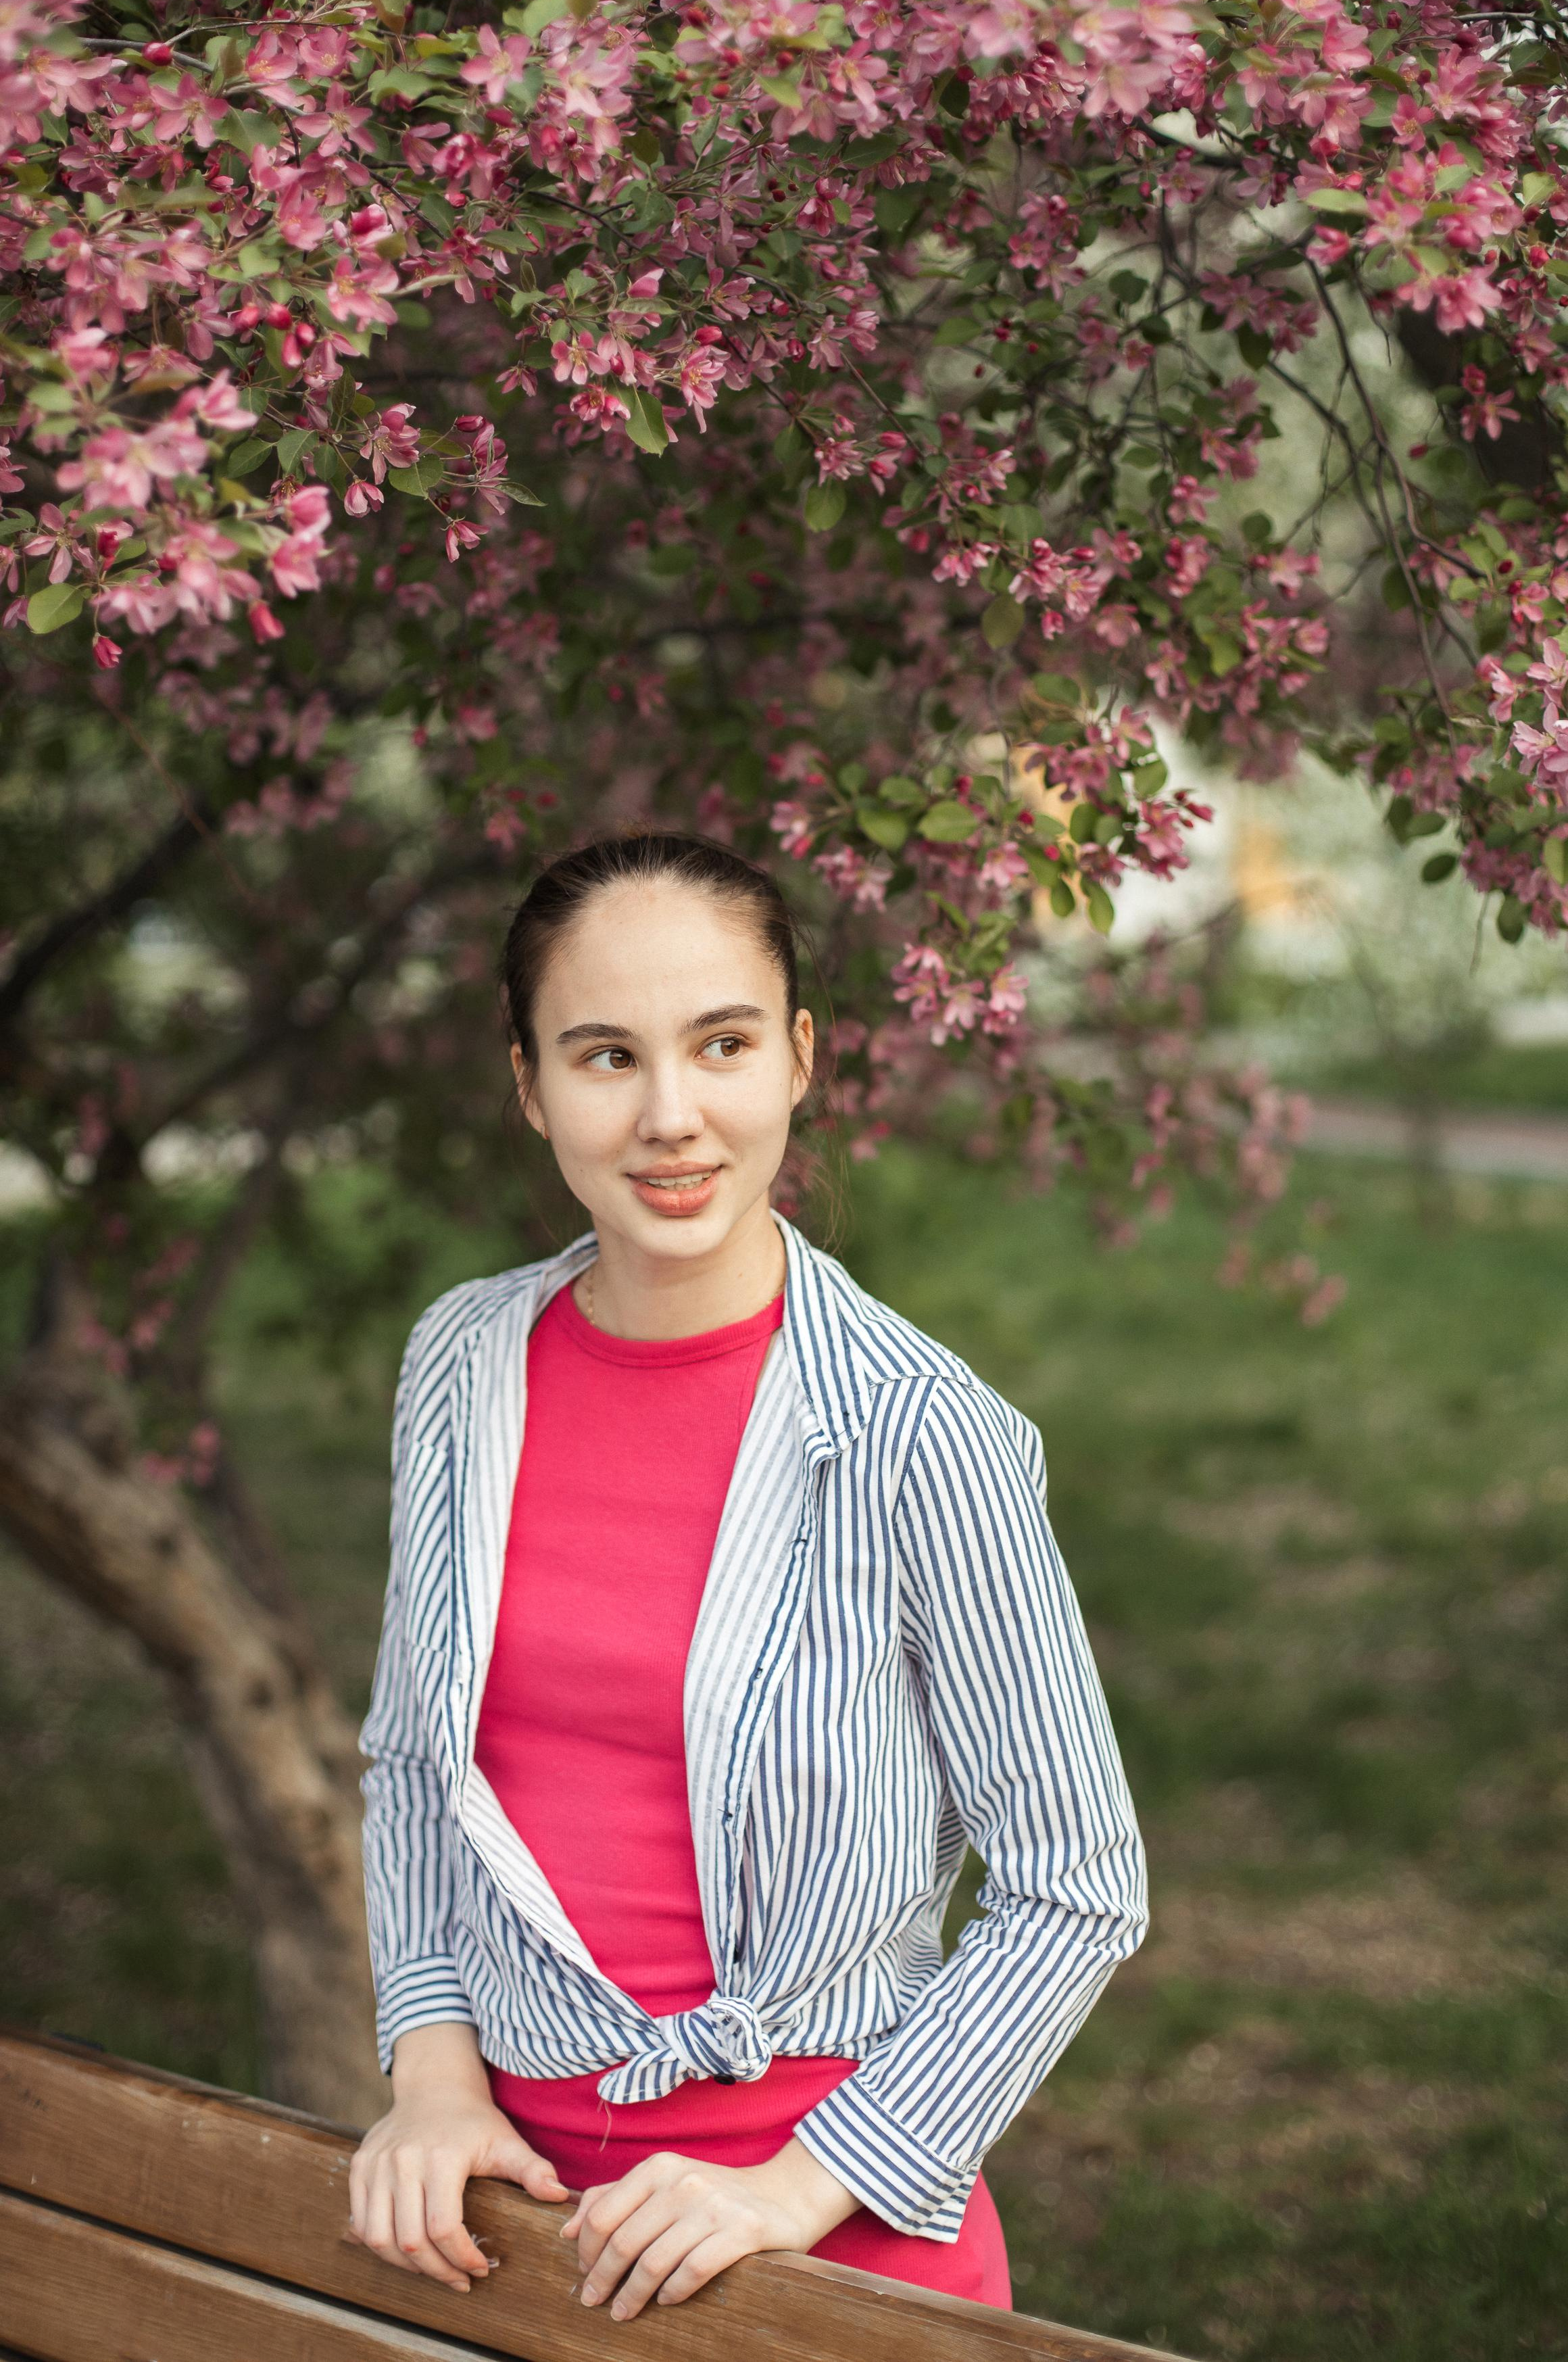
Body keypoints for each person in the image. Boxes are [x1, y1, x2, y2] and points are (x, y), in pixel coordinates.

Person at [349, 831, 1147, 2323]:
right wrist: (434, 2075)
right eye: (605, 1056)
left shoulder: (922, 1432)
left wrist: (795, 2185)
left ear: (798, 1058)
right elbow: (413, 1764)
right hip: (505, 2222)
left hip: (829, 2241)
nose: (671, 1115)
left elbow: (1074, 1883)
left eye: (720, 1044)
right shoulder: (461, 1362)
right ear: (530, 1086)